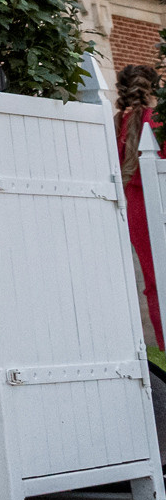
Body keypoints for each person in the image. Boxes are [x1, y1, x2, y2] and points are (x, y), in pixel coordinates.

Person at [117, 63, 163, 350]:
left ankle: (162, 340)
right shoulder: (157, 120)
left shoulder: (114, 123)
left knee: (154, 280)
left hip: (134, 208)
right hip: (157, 202)